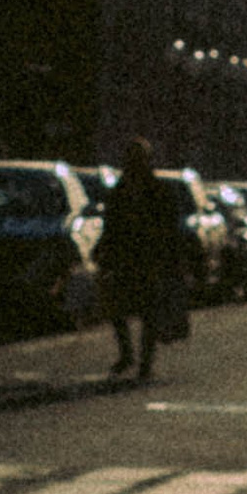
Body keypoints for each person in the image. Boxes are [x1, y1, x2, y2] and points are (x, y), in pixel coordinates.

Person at [95, 140, 180, 380]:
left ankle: (143, 362)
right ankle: (129, 355)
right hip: (125, 257)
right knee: (118, 307)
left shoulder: (157, 190)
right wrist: (103, 250)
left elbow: (169, 227)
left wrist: (170, 257)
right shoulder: (121, 190)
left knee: (147, 311)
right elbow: (111, 225)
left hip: (148, 257)